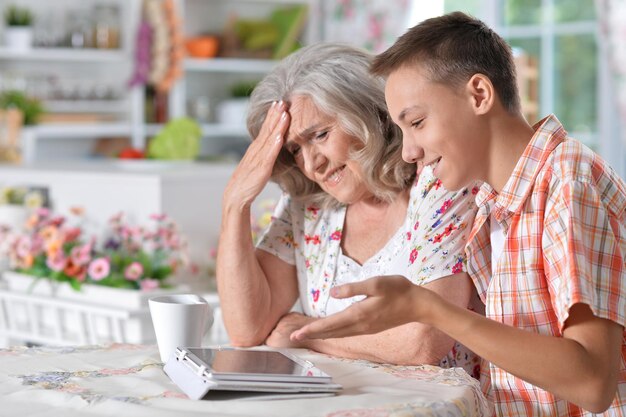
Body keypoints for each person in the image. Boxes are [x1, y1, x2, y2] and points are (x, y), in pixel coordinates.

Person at [291, 12, 626, 416]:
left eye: (417, 122)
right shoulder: (489, 203)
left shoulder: (567, 180)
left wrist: (429, 309)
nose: (409, 152)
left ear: (480, 94)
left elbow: (592, 383)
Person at [216, 43, 481, 374]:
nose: (312, 164)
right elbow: (247, 329)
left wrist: (309, 334)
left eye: (321, 135)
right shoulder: (308, 206)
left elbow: (422, 342)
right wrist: (234, 204)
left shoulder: (440, 184)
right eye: (295, 149)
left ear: (369, 113)